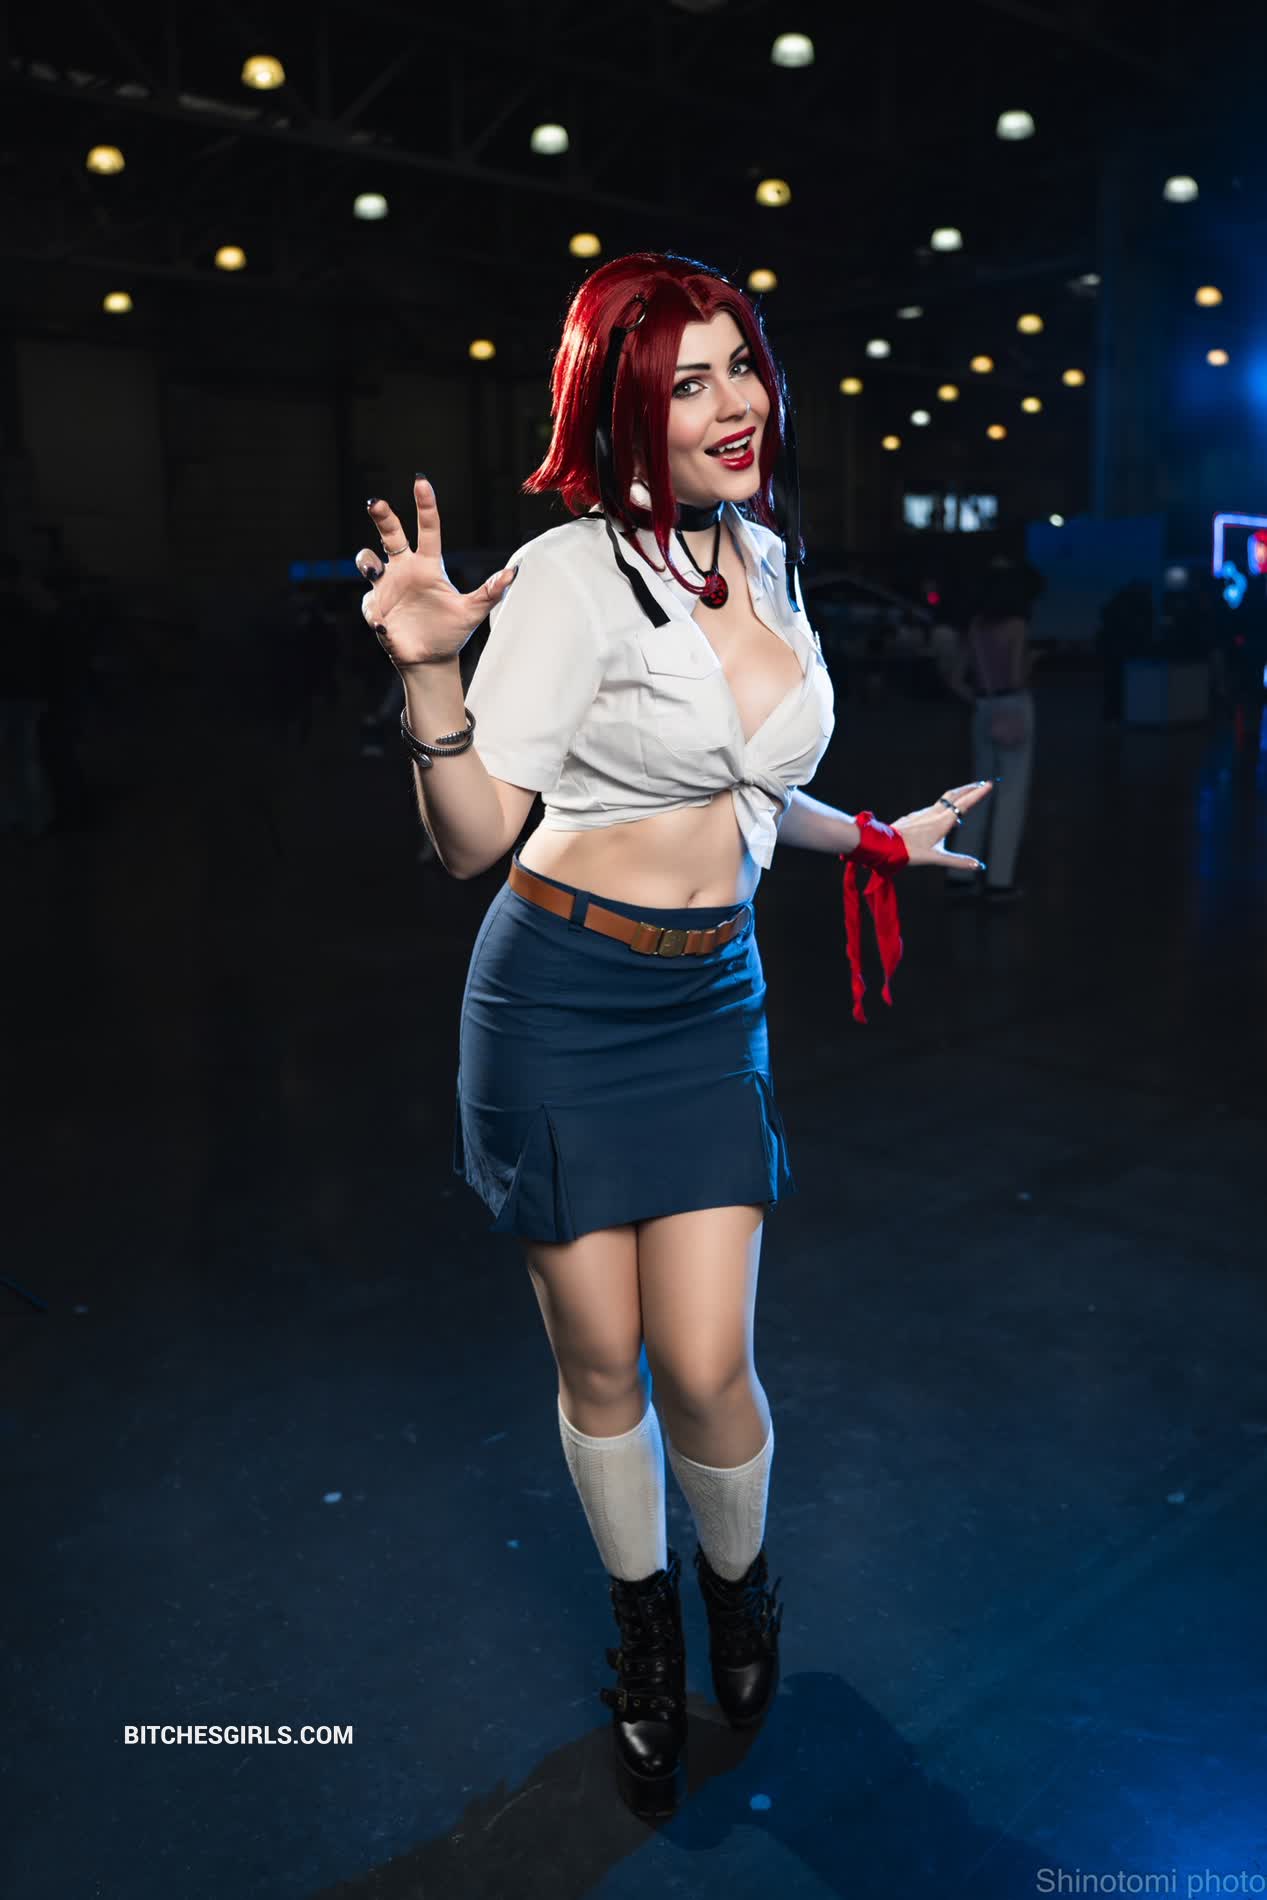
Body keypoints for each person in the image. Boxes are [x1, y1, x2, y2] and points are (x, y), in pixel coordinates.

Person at [352, 252, 992, 1821]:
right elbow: (472, 838)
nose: (730, 404)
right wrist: (432, 677)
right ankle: (644, 1631)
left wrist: (876, 839)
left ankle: (736, 1587)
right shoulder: (569, 576)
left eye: (740, 366)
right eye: (685, 381)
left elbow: (746, 781)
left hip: (712, 1002)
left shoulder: (761, 554)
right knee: (603, 1364)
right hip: (560, 1002)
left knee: (708, 1364)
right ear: (619, 410)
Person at [943, 568, 1038, 904]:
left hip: (983, 709)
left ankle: (960, 875)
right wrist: (1033, 661)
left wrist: (980, 701)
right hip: (1014, 707)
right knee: (1011, 795)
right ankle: (1000, 881)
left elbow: (956, 679)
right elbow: (1016, 675)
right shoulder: (1017, 627)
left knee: (979, 793)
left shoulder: (976, 627)